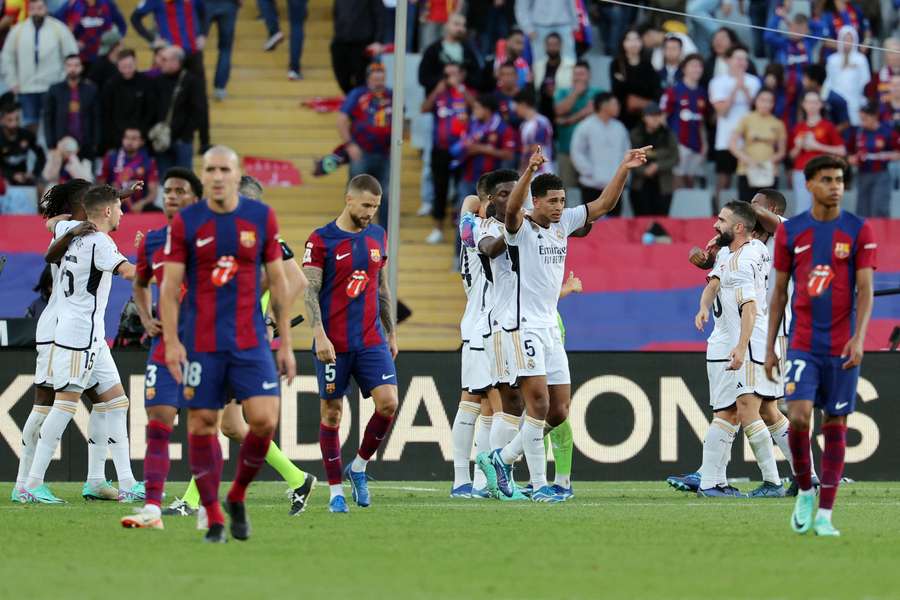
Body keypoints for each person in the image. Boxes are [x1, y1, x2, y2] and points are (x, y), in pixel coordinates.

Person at [476, 145, 648, 502]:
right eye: (552, 201)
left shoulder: (563, 224)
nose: (558, 207)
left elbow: (603, 205)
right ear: (534, 202)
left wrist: (624, 167)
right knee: (536, 404)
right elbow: (510, 210)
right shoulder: (517, 228)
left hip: (550, 327)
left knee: (558, 410)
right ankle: (538, 486)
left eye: (562, 200)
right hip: (521, 326)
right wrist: (528, 171)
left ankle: (502, 459)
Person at [160, 146, 296, 543]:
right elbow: (169, 289)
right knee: (202, 424)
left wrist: (285, 342)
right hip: (202, 341)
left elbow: (281, 281)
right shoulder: (188, 222)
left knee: (264, 421)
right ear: (204, 177)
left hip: (250, 339)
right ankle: (215, 514)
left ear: (237, 175)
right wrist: (171, 342)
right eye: (211, 170)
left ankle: (236, 494)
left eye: (224, 169)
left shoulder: (261, 218)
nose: (218, 176)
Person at [765, 155, 877, 537]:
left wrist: (860, 337)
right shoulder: (791, 232)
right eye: (827, 179)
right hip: (802, 343)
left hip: (842, 345)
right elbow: (779, 291)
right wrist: (769, 347)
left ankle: (826, 514)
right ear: (809, 184)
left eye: (840, 180)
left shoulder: (858, 230)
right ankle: (805, 489)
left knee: (835, 423)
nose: (836, 186)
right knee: (797, 416)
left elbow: (865, 290)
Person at [21, 185, 142, 505]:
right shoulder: (99, 241)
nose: (122, 212)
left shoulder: (66, 227)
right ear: (103, 210)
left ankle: (109, 481)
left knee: (115, 402)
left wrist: (122, 194)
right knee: (57, 405)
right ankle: (29, 483)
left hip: (84, 331)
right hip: (76, 332)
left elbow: (53, 223)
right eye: (118, 207)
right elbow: (128, 272)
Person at [302, 174, 398, 514]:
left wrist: (391, 331)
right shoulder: (321, 239)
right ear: (349, 200)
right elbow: (309, 289)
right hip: (334, 342)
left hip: (370, 339)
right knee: (332, 413)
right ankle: (334, 492)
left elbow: (381, 287)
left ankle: (358, 467)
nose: (371, 212)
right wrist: (319, 334)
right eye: (367, 205)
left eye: (376, 206)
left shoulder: (377, 236)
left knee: (388, 403)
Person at [687, 201, 785, 498]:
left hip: (750, 342)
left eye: (721, 220)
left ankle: (773, 480)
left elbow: (750, 307)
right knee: (731, 410)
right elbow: (713, 282)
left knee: (747, 409)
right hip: (730, 343)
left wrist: (741, 348)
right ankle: (715, 481)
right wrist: (703, 307)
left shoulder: (748, 256)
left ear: (739, 227)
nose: (715, 225)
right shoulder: (731, 252)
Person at [118, 167, 199, 528]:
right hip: (165, 345)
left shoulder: (211, 238)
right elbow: (140, 282)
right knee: (159, 420)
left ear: (195, 199)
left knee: (204, 425)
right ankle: (152, 508)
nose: (172, 195)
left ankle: (208, 509)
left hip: (205, 346)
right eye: (168, 190)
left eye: (180, 191)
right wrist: (147, 316)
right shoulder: (152, 241)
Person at [451, 179, 499, 497]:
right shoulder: (477, 229)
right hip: (485, 326)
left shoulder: (475, 223)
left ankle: (464, 481)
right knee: (493, 406)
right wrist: (476, 203)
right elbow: (470, 202)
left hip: (481, 325)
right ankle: (482, 481)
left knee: (474, 403)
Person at [130, 0, 209, 146]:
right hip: (168, 55)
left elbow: (204, 13)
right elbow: (135, 18)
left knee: (200, 98)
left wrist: (203, 34)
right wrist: (152, 39)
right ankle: (158, 137)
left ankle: (205, 142)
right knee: (160, 97)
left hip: (192, 54)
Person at [0, 0, 79, 132]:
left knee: (54, 122)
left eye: (40, 8)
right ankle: (34, 150)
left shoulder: (59, 29)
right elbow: (7, 58)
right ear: (29, 10)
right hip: (26, 88)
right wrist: (12, 81)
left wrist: (63, 80)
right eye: (33, 9)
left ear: (46, 9)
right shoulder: (18, 31)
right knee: (30, 123)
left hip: (52, 86)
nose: (37, 12)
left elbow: (71, 55)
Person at [422, 61, 472, 245]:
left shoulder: (466, 92)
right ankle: (437, 229)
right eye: (447, 74)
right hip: (441, 150)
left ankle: (461, 229)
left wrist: (461, 88)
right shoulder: (439, 94)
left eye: (454, 74)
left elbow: (476, 107)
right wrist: (436, 90)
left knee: (462, 190)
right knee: (439, 190)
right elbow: (424, 108)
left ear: (462, 74)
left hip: (463, 151)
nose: (450, 78)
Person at [338, 63, 392, 227]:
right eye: (375, 79)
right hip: (362, 152)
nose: (379, 83)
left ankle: (383, 233)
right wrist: (350, 145)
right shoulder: (358, 94)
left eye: (381, 79)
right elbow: (342, 120)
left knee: (386, 194)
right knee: (357, 193)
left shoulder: (391, 96)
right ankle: (352, 228)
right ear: (368, 80)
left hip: (385, 153)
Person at [709, 45, 760, 210]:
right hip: (725, 139)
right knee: (724, 177)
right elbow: (722, 111)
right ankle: (719, 211)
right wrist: (735, 88)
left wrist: (744, 89)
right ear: (728, 60)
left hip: (749, 139)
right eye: (738, 58)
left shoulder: (754, 81)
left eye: (744, 58)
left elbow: (757, 109)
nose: (741, 62)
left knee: (746, 178)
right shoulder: (718, 82)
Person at [570, 92, 630, 215]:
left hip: (614, 185)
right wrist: (589, 172)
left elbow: (626, 152)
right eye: (615, 103)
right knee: (590, 222)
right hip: (591, 184)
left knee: (614, 224)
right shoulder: (585, 126)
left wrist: (623, 176)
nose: (618, 106)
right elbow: (576, 152)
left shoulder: (620, 127)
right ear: (604, 106)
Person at [153, 45, 208, 175]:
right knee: (164, 182)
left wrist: (186, 135)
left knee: (184, 181)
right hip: (162, 141)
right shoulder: (158, 80)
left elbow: (199, 111)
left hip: (182, 141)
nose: (160, 62)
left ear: (175, 61)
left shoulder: (192, 81)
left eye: (164, 59)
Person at [788, 91, 846, 214]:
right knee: (802, 210)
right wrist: (798, 146)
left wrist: (818, 146)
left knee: (823, 209)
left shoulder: (828, 126)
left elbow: (842, 150)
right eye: (808, 102)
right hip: (801, 171)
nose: (812, 105)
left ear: (821, 105)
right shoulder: (799, 127)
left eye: (815, 102)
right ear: (803, 105)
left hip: (823, 173)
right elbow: (792, 155)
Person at [729, 89, 787, 200]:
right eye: (762, 100)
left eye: (769, 101)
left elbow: (782, 151)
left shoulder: (778, 123)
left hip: (769, 171)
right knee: (746, 210)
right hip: (747, 170)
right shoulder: (746, 119)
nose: (765, 104)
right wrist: (747, 159)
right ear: (756, 101)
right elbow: (732, 144)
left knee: (768, 211)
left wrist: (770, 161)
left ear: (773, 104)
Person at [662, 53, 707, 189]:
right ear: (684, 69)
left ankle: (690, 209)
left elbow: (701, 120)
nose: (697, 69)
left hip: (697, 144)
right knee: (678, 177)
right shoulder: (674, 91)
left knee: (691, 180)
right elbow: (662, 118)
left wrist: (705, 143)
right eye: (693, 65)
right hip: (679, 142)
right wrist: (670, 142)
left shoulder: (702, 93)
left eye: (699, 66)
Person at [552, 60, 600, 190]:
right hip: (566, 150)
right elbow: (559, 111)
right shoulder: (562, 92)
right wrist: (576, 95)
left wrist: (567, 120)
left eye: (582, 74)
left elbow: (598, 116)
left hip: (592, 152)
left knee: (592, 190)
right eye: (576, 74)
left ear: (589, 75)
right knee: (565, 189)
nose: (578, 77)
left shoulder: (598, 93)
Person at [100, 48, 157, 155]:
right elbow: (107, 113)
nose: (127, 70)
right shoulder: (110, 85)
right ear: (118, 66)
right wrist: (120, 137)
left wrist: (140, 134)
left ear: (135, 63)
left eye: (130, 66)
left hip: (141, 138)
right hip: (117, 139)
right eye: (123, 66)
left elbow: (151, 111)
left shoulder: (147, 83)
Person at [44, 54, 100, 160]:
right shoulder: (55, 90)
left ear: (81, 68)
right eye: (69, 65)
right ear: (65, 67)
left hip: (85, 142)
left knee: (85, 175)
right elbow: (48, 117)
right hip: (61, 143)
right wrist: (50, 143)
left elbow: (96, 117)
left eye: (76, 65)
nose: (73, 69)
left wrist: (96, 142)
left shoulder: (91, 89)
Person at [850, 102, 899, 217]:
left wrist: (882, 156)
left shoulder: (887, 131)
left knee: (879, 209)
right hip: (862, 175)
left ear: (874, 116)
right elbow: (849, 152)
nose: (862, 122)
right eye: (860, 119)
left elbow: (898, 153)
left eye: (865, 118)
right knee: (862, 211)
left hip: (881, 174)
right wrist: (852, 158)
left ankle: (881, 235)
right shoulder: (858, 132)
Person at [629, 102, 678, 216]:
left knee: (661, 220)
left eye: (658, 115)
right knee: (641, 219)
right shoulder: (635, 135)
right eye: (651, 115)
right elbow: (629, 158)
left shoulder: (668, 135)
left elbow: (675, 158)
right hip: (640, 184)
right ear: (644, 117)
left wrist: (657, 166)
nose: (655, 119)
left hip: (663, 185)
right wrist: (644, 170)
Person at [417, 12, 481, 95]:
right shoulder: (433, 50)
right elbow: (423, 79)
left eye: (463, 25)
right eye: (456, 24)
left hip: (464, 102)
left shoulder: (469, 50)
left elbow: (479, 79)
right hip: (437, 103)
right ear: (446, 25)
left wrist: (464, 75)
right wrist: (444, 75)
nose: (461, 28)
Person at [610, 29, 662, 130]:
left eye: (636, 39)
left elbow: (655, 90)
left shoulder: (648, 65)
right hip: (623, 115)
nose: (633, 43)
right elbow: (617, 91)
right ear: (623, 43)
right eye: (629, 40)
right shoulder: (617, 64)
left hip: (645, 115)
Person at [98, 127, 159, 212]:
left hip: (139, 209)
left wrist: (142, 203)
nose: (129, 142)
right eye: (127, 138)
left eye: (134, 138)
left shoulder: (148, 161)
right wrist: (113, 199)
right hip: (113, 208)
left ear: (141, 142)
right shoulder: (110, 158)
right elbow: (100, 186)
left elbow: (153, 192)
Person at [329, 0, 383, 94]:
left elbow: (380, 15)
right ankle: (353, 98)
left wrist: (377, 40)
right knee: (342, 77)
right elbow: (336, 13)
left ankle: (357, 100)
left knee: (361, 79)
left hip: (362, 42)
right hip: (341, 40)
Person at [0, 104, 45, 214]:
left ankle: (40, 218)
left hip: (24, 177)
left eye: (17, 119)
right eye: (9, 120)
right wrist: (10, 175)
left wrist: (34, 173)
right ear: (2, 121)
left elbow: (41, 156)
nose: (14, 123)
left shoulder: (26, 134)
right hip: (4, 177)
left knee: (42, 188)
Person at [54, 0, 126, 67]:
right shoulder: (74, 4)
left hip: (104, 54)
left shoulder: (107, 3)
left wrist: (118, 41)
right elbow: (56, 19)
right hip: (80, 58)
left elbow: (121, 24)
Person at [824, 26, 870, 128]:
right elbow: (828, 80)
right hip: (836, 102)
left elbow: (866, 79)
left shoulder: (861, 59)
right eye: (845, 39)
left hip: (855, 100)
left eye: (850, 39)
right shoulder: (832, 59)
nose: (847, 42)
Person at [514, 0, 576, 64]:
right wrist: (528, 28)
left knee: (569, 59)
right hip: (538, 26)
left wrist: (575, 24)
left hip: (564, 24)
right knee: (540, 61)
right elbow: (522, 6)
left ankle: (569, 74)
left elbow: (572, 3)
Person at [533, 32, 572, 123]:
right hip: (542, 109)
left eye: (555, 45)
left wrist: (556, 92)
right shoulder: (538, 66)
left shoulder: (571, 65)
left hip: (563, 108)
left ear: (561, 46)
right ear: (545, 46)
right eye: (549, 45)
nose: (552, 48)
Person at [204, 0, 240, 99]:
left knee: (196, 45)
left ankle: (193, 85)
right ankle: (220, 88)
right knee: (226, 48)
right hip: (229, 4)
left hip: (205, 4)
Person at [802, 64, 850, 135]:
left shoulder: (836, 99)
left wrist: (826, 134)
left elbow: (845, 123)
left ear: (814, 81)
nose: (803, 81)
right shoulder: (806, 96)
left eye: (805, 78)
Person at [515, 89, 553, 174]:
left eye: (516, 106)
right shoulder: (523, 125)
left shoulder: (541, 122)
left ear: (523, 104)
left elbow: (536, 149)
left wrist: (522, 169)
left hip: (542, 171)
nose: (515, 109)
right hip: (529, 172)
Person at [493, 61, 522, 127]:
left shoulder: (525, 96)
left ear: (516, 76)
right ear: (499, 77)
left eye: (510, 74)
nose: (507, 78)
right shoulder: (494, 97)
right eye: (504, 74)